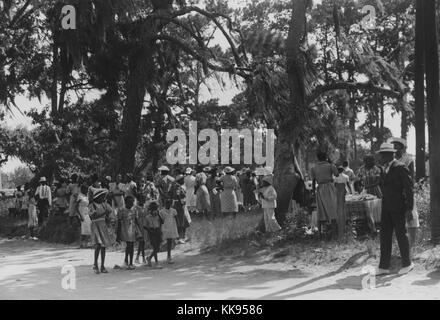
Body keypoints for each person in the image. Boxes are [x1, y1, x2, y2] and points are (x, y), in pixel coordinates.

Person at [376, 143, 414, 275]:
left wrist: (409, 208)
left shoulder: (400, 167)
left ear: (388, 155)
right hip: (386, 207)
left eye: (381, 155)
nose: (379, 157)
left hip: (398, 207)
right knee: (384, 236)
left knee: (401, 235)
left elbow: (409, 189)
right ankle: (383, 266)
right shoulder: (383, 168)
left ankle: (407, 263)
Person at [388, 137, 419, 248]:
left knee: (411, 216)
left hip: (406, 191)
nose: (395, 149)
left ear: (402, 148)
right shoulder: (392, 161)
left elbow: (410, 177)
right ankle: (401, 245)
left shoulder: (408, 159)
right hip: (395, 193)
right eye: (393, 146)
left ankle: (412, 245)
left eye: (397, 146)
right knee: (398, 218)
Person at [310, 152, 338, 240]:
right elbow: (337, 174)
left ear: (318, 158)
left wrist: (313, 192)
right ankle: (334, 233)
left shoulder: (314, 168)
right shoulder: (330, 166)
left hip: (320, 188)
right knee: (332, 208)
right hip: (330, 187)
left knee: (321, 210)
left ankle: (320, 233)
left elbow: (313, 181)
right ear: (326, 157)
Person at [89, 188, 114, 274]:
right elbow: (92, 216)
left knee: (103, 246)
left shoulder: (105, 205)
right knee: (98, 245)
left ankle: (102, 265)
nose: (104, 198)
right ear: (98, 197)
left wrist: (109, 217)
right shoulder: (92, 205)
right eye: (102, 196)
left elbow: (111, 212)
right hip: (95, 225)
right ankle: (95, 263)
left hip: (103, 226)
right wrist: (103, 214)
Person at [116, 196, 138, 270]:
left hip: (132, 229)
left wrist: (138, 231)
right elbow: (119, 222)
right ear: (126, 202)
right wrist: (118, 235)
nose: (132, 204)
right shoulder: (121, 210)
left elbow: (136, 220)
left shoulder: (134, 209)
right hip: (125, 230)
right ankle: (128, 262)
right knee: (129, 245)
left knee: (130, 246)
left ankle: (128, 262)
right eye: (130, 202)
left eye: (132, 202)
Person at [160, 199, 179, 264]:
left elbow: (176, 218)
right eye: (166, 203)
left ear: (171, 204)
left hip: (171, 228)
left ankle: (169, 256)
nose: (168, 204)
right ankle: (152, 256)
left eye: (169, 203)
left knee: (169, 242)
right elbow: (160, 221)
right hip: (165, 228)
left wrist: (178, 227)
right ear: (164, 203)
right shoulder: (161, 211)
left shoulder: (173, 210)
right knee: (164, 242)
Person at [171, 175, 189, 243]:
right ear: (180, 180)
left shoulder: (176, 186)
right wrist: (181, 203)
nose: (184, 181)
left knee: (182, 221)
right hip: (178, 205)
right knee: (180, 221)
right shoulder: (178, 187)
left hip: (177, 204)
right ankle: (179, 238)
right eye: (183, 179)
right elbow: (178, 195)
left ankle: (182, 236)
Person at [145, 202, 163, 268]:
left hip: (158, 231)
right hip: (151, 232)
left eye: (156, 209)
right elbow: (145, 226)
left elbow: (162, 222)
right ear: (151, 209)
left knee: (157, 248)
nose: (155, 210)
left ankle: (149, 258)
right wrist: (150, 231)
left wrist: (159, 215)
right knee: (155, 247)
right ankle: (156, 263)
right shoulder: (147, 217)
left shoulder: (158, 216)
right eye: (154, 209)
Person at [334, 167, 350, 240]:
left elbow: (335, 185)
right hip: (344, 188)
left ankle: (340, 209)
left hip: (338, 189)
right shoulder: (346, 176)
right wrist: (351, 191)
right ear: (343, 170)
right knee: (344, 200)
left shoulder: (335, 177)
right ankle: (343, 208)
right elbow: (348, 184)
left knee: (339, 201)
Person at [135, 195, 148, 265]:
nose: (143, 201)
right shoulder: (137, 208)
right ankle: (142, 258)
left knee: (142, 243)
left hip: (144, 225)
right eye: (142, 199)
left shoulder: (145, 207)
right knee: (141, 242)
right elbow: (136, 218)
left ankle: (138, 258)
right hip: (140, 225)